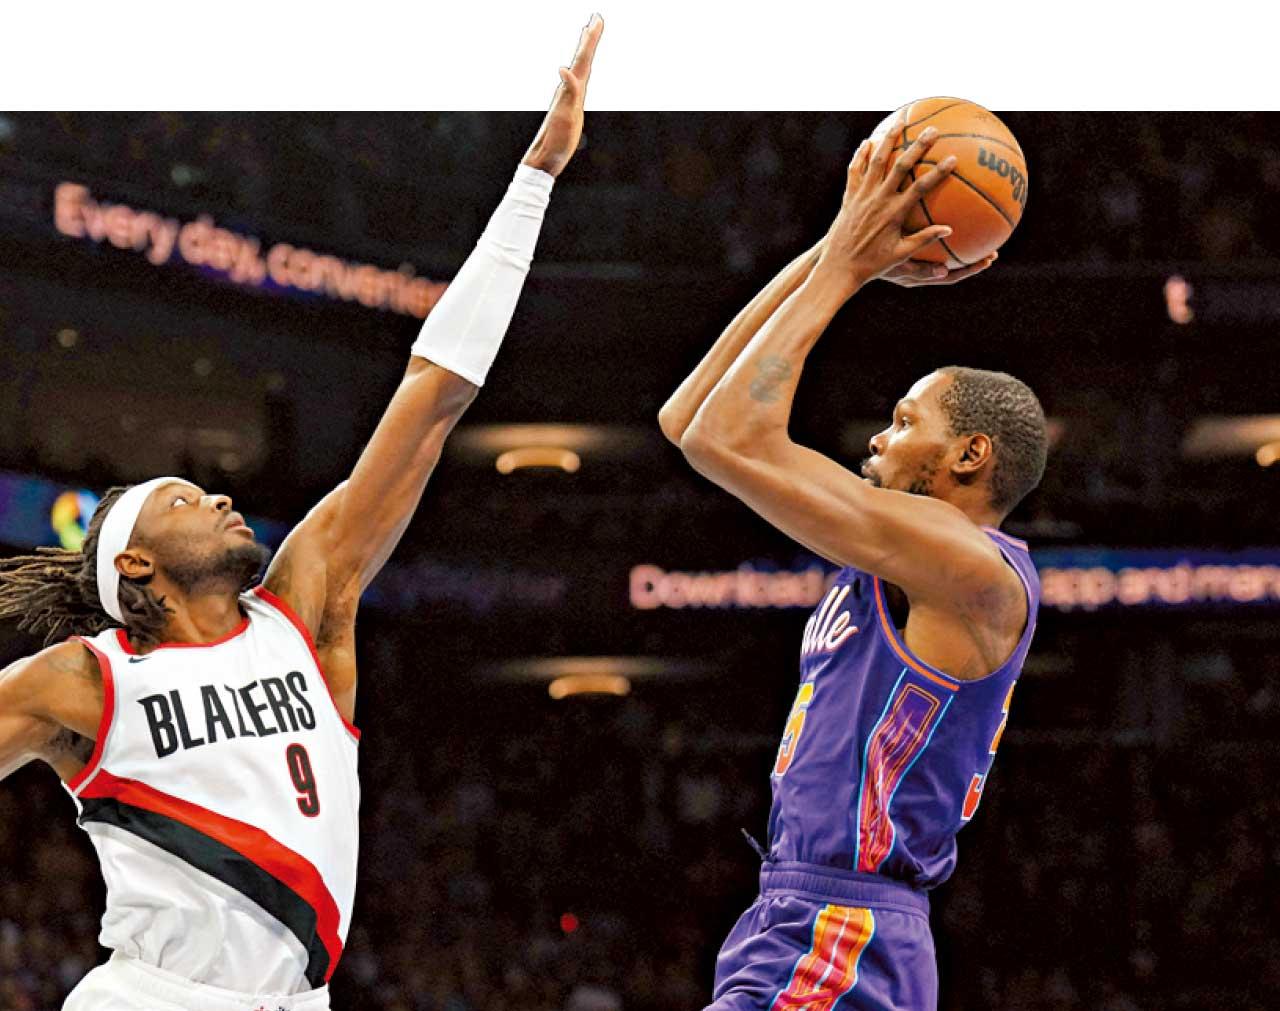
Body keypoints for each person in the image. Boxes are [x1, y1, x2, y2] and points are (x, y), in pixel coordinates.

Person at [0, 15, 603, 1010]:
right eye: (186, 500)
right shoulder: (88, 678)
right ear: (136, 566)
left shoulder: (306, 610)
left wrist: (534, 178)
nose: (220, 496)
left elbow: (432, 393)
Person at [659, 112, 1047, 1010]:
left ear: (971, 455)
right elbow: (689, 419)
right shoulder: (898, 554)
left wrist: (847, 264)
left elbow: (726, 435)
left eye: (906, 421)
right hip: (802, 915)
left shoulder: (969, 566)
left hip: (844, 931)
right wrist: (838, 250)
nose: (880, 435)